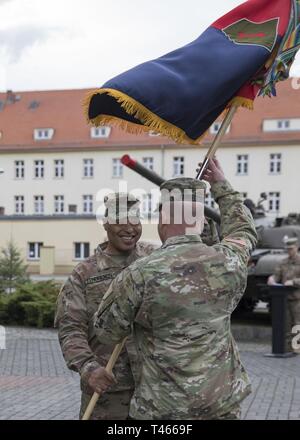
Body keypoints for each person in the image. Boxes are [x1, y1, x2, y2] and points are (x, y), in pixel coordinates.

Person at [93, 158, 258, 420]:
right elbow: (245, 230)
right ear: (202, 222)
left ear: (163, 219)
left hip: (163, 410)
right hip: (221, 403)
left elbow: (106, 332)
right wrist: (220, 184)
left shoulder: (139, 274)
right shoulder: (229, 260)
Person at [54, 193, 155, 420]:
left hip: (154, 388)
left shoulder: (154, 261)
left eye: (135, 222)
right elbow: (70, 329)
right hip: (108, 391)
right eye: (121, 222)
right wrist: (89, 368)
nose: (130, 229)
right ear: (107, 224)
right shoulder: (84, 274)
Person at [268, 237, 300, 353]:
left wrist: (294, 282)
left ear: (296, 247)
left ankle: (296, 347)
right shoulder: (283, 262)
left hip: (297, 298)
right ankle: (286, 347)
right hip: (284, 298)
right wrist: (272, 279)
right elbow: (277, 275)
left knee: (297, 324)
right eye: (288, 249)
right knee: (285, 323)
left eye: (291, 249)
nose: (289, 251)